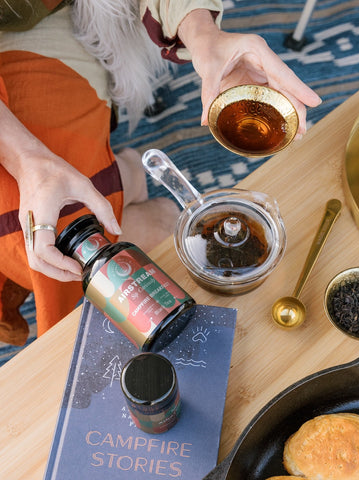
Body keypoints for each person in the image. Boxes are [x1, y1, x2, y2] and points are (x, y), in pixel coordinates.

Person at [0, 0, 321, 346]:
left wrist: (203, 35)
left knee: (110, 204)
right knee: (51, 235)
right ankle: (128, 179)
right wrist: (26, 158)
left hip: (38, 14)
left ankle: (127, 177)